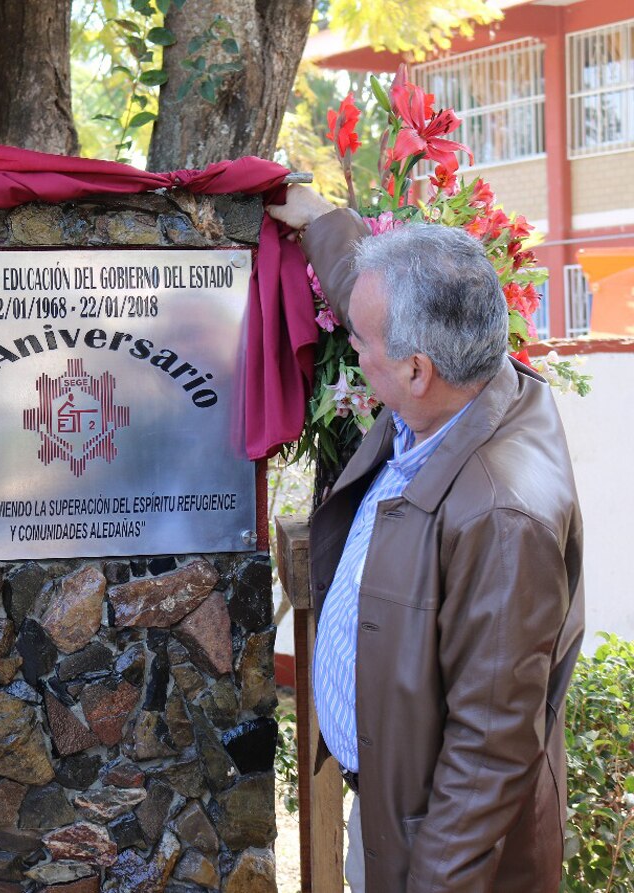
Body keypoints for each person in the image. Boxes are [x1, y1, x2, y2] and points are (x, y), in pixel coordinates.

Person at [267, 186, 584, 893]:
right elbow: (374, 295)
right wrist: (322, 222)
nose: (352, 346)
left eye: (360, 342)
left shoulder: (502, 519)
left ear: (416, 369)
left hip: (434, 849)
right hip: (392, 801)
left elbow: (488, 754)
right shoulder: (460, 385)